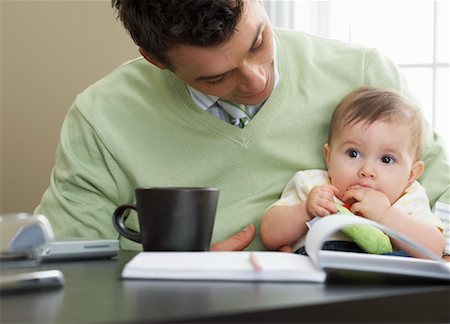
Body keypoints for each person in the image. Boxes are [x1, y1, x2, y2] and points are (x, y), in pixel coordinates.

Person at [35, 0, 450, 252]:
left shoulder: (362, 73)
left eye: (259, 43)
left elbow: (443, 192)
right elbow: (66, 259)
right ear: (156, 60)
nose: (257, 80)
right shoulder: (101, 116)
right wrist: (176, 276)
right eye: (216, 78)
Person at [260, 87, 445, 258]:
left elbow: (434, 249)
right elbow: (269, 234)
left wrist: (385, 215)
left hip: (386, 281)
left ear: (411, 175)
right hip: (320, 274)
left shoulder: (409, 197)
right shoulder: (314, 185)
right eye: (353, 153)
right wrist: (305, 210)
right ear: (329, 157)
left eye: (386, 159)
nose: (367, 171)